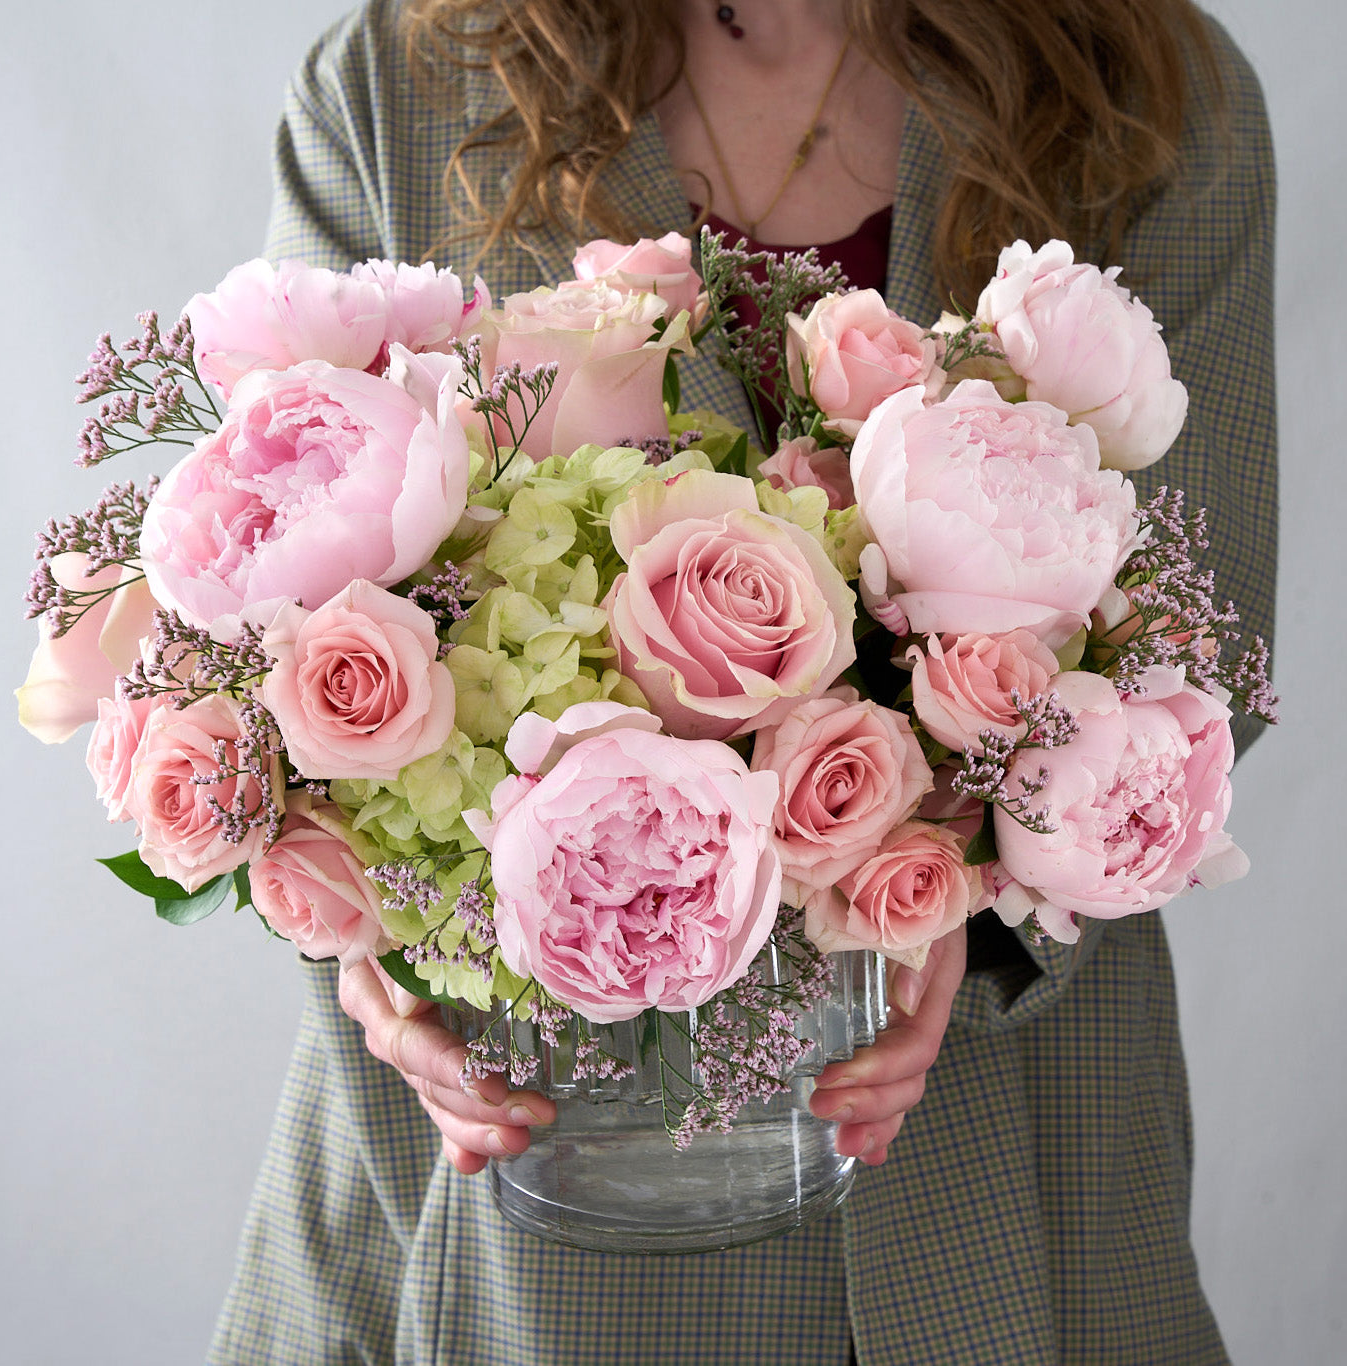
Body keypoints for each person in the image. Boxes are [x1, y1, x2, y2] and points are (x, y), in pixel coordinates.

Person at [209, 1, 1277, 1361]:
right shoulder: (400, 79)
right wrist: (365, 947)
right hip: (520, 1189)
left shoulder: (1141, 89)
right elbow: (260, 627)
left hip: (996, 1162)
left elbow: (1200, 640)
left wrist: (959, 875)